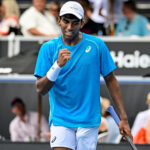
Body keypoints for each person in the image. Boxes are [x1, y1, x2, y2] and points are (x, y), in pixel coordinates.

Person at [34, 1, 132, 150]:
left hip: (89, 121)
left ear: (83, 22)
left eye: (74, 23)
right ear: (59, 20)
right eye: (66, 21)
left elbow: (111, 80)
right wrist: (57, 66)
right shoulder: (48, 48)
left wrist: (123, 118)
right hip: (61, 119)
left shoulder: (97, 45)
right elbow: (40, 89)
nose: (69, 27)